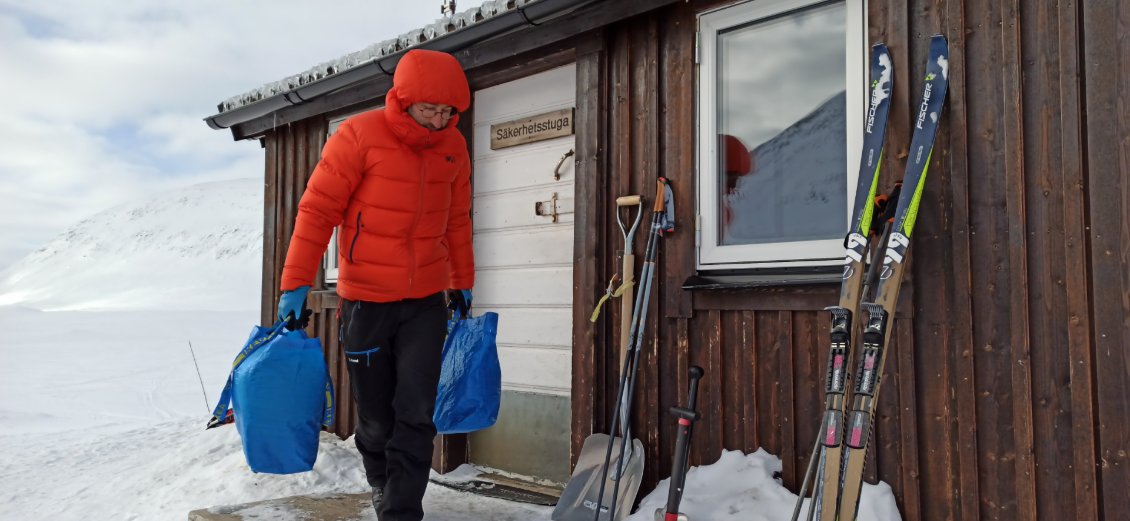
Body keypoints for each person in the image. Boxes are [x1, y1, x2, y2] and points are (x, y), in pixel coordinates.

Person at [275, 49, 475, 521]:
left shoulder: (454, 147)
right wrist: (297, 283)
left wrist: (461, 281)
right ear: (404, 100)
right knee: (376, 415)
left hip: (425, 300)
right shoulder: (359, 135)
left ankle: (401, 509)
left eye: (449, 112)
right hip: (366, 299)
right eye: (431, 109)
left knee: (416, 409)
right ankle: (380, 477)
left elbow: (458, 220)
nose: (440, 119)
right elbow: (317, 210)